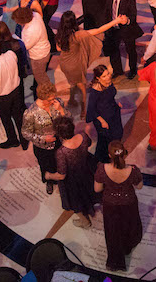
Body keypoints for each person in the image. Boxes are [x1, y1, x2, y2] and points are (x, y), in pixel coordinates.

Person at [57, 11, 125, 110]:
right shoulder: (78, 35)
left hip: (64, 63)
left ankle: (72, 100)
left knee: (72, 83)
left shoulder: (60, 34)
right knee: (82, 86)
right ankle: (84, 110)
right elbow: (99, 30)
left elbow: (58, 48)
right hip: (75, 65)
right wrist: (116, 21)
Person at [94, 141, 143, 271]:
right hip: (129, 203)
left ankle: (115, 262)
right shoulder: (133, 170)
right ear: (124, 153)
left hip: (110, 204)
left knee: (113, 232)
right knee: (128, 225)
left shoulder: (101, 169)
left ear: (109, 155)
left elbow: (97, 189)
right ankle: (127, 247)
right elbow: (139, 186)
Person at [45, 116, 96, 228]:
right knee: (88, 194)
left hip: (73, 182)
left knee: (74, 203)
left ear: (59, 134)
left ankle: (85, 222)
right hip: (87, 172)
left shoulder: (61, 152)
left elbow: (62, 175)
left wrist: (49, 175)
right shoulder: (82, 135)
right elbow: (89, 143)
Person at [22, 82, 68, 194]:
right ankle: (49, 182)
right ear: (42, 98)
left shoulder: (57, 103)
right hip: (42, 147)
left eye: (54, 98)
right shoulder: (31, 113)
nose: (53, 101)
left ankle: (60, 180)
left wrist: (61, 110)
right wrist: (42, 139)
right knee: (46, 166)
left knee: (60, 164)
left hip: (59, 141)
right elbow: (25, 133)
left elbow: (68, 120)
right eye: (50, 99)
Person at [105, 0, 143, 79]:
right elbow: (106, 12)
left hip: (127, 29)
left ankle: (133, 70)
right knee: (113, 50)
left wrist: (127, 20)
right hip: (113, 29)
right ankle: (117, 71)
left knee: (130, 50)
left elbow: (133, 16)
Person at [86, 65, 124, 163]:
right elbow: (91, 109)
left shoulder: (109, 82)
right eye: (104, 76)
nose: (108, 77)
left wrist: (116, 103)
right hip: (102, 119)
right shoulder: (95, 90)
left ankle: (115, 154)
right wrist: (102, 121)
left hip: (113, 113)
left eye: (108, 74)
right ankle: (103, 159)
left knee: (118, 134)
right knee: (105, 140)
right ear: (98, 78)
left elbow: (109, 96)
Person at [12, 7, 51, 90]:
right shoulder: (35, 15)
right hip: (43, 50)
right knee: (40, 75)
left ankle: (48, 93)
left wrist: (15, 39)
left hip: (38, 56)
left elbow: (26, 46)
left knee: (41, 78)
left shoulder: (31, 30)